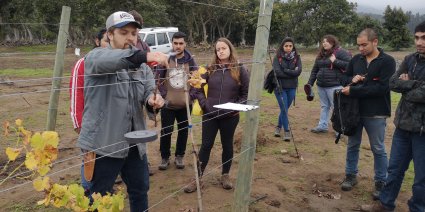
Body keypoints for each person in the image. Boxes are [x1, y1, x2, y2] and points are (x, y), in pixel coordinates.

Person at [77, 11, 168, 211]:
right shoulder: (95, 58)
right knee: (98, 197)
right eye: (123, 32)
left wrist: (154, 100)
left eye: (134, 34)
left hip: (135, 143)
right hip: (104, 145)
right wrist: (146, 55)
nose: (130, 38)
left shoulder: (142, 68)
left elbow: (147, 92)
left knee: (140, 190)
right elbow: (116, 60)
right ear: (110, 35)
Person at [361, 21, 425, 212]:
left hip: (423, 131)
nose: (419, 42)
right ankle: (385, 204)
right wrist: (415, 85)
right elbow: (392, 83)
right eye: (417, 37)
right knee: (394, 169)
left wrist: (408, 86)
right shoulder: (409, 59)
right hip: (403, 126)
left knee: (422, 177)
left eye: (424, 38)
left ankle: (418, 208)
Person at [184, 37, 249, 193]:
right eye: (218, 49)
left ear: (230, 49)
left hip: (230, 117)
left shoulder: (240, 69)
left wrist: (235, 108)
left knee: (227, 145)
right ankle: (197, 178)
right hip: (210, 115)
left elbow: (245, 94)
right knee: (206, 145)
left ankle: (225, 175)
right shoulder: (209, 69)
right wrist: (205, 104)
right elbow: (197, 87)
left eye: (223, 48)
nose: (220, 51)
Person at [339, 28, 395, 200]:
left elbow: (381, 88)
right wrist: (352, 80)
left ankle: (380, 181)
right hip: (354, 112)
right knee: (352, 144)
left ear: (375, 42)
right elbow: (343, 79)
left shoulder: (388, 61)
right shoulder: (356, 59)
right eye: (358, 45)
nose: (361, 49)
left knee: (378, 148)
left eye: (364, 45)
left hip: (376, 112)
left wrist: (355, 90)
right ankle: (350, 175)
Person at [69, 28, 107, 194]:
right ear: (97, 41)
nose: (110, 46)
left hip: (111, 124)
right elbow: (76, 94)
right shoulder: (83, 64)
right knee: (90, 160)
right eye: (106, 41)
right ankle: (87, 193)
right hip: (90, 124)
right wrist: (79, 124)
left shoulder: (118, 65)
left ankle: (104, 190)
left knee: (108, 159)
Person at [157, 32, 198, 170]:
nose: (178, 46)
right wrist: (164, 96)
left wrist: (191, 97)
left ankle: (179, 156)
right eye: (175, 43)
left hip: (185, 105)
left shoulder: (190, 60)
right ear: (172, 43)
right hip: (168, 105)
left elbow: (196, 80)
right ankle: (164, 157)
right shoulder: (165, 59)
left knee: (183, 131)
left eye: (181, 43)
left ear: (185, 44)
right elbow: (158, 80)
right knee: (166, 131)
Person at [307, 35, 352, 134]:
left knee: (336, 107)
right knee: (324, 106)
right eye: (323, 42)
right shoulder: (321, 54)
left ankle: (339, 129)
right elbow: (315, 70)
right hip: (321, 85)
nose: (325, 43)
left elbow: (350, 65)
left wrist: (335, 61)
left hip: (335, 85)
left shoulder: (340, 52)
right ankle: (322, 125)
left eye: (327, 41)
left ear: (333, 43)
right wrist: (310, 83)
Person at [272, 37, 302, 141]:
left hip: (292, 87)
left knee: (284, 110)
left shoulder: (297, 57)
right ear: (282, 46)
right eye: (286, 46)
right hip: (280, 87)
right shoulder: (277, 58)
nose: (288, 48)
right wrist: (292, 72)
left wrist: (285, 70)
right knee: (284, 108)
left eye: (290, 46)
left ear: (293, 47)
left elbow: (298, 72)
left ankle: (278, 127)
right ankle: (286, 131)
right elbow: (277, 72)